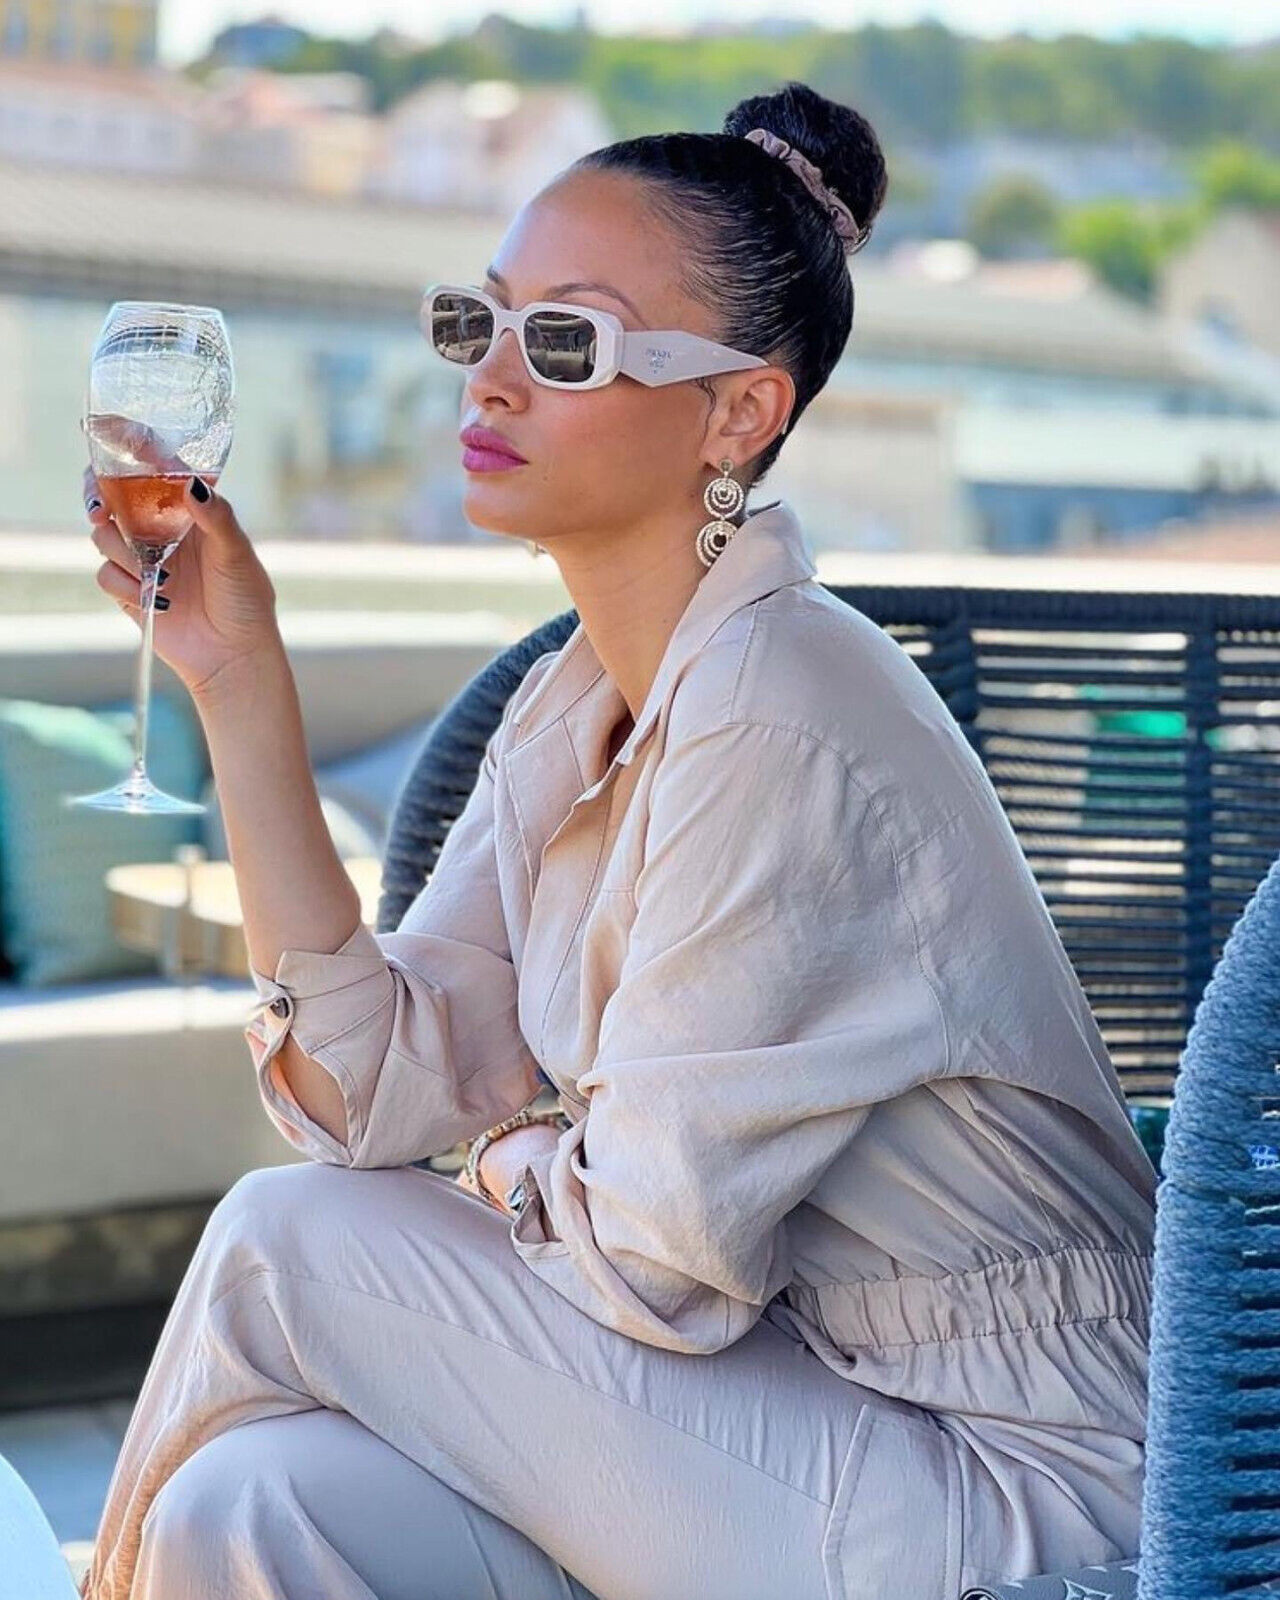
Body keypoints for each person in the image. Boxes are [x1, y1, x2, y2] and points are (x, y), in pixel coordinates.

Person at [78, 80, 1156, 1600]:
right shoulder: (578, 698)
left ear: (739, 413)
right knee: (244, 1506)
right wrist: (237, 681)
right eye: (482, 322)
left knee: (282, 1237)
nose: (491, 379)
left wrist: (510, 1142)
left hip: (1021, 1479)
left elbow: (651, 1265)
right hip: (796, 1412)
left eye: (567, 343)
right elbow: (367, 1096)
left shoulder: (780, 710)